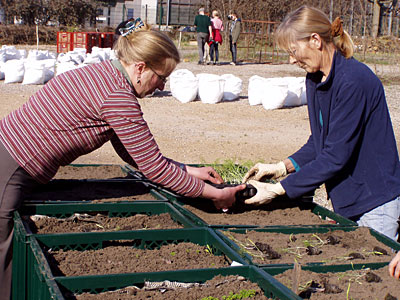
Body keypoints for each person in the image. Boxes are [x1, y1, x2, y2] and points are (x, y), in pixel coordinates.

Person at [0, 19, 245, 300]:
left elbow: (133, 151)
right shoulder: (118, 96)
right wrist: (216, 194)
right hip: (11, 166)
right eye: (161, 76)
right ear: (140, 68)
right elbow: (153, 167)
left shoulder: (104, 73)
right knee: (3, 256)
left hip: (11, 157)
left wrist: (190, 171)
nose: (162, 85)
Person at [242, 6, 400, 242]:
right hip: (348, 199)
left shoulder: (353, 81)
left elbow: (335, 156)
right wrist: (282, 167)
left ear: (315, 40)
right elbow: (321, 141)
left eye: (294, 50)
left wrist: (279, 189)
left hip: (375, 202)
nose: (291, 59)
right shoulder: (315, 80)